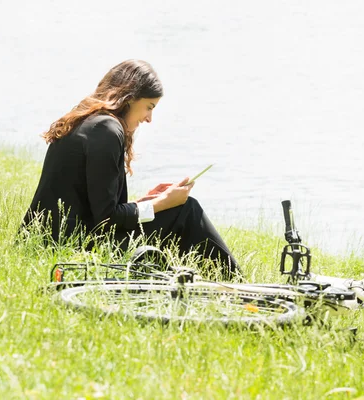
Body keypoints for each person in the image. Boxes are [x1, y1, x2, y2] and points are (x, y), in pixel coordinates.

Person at [21, 59, 240, 279]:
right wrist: (163, 203)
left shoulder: (88, 121)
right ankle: (238, 286)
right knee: (187, 210)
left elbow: (99, 210)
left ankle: (211, 283)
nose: (149, 119)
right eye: (149, 107)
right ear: (130, 97)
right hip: (77, 246)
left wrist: (146, 202)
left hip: (56, 239)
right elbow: (107, 220)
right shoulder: (107, 130)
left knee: (177, 209)